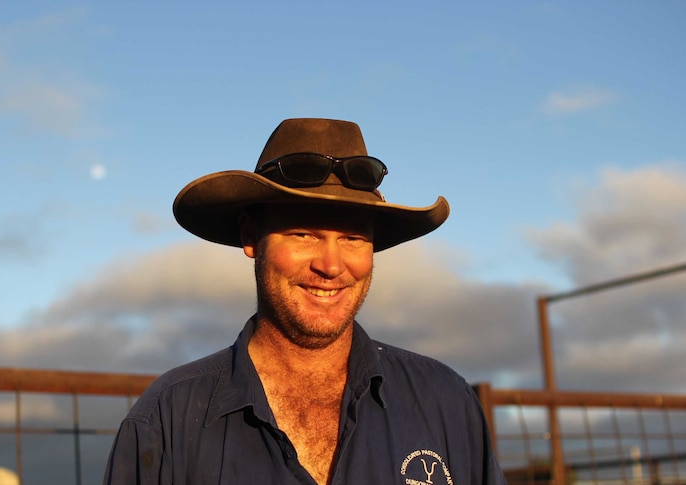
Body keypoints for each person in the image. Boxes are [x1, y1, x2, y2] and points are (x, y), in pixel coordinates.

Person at [104, 118, 507, 485]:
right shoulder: (166, 422)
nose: (331, 266)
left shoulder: (445, 403)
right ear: (251, 237)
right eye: (304, 234)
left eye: (352, 238)